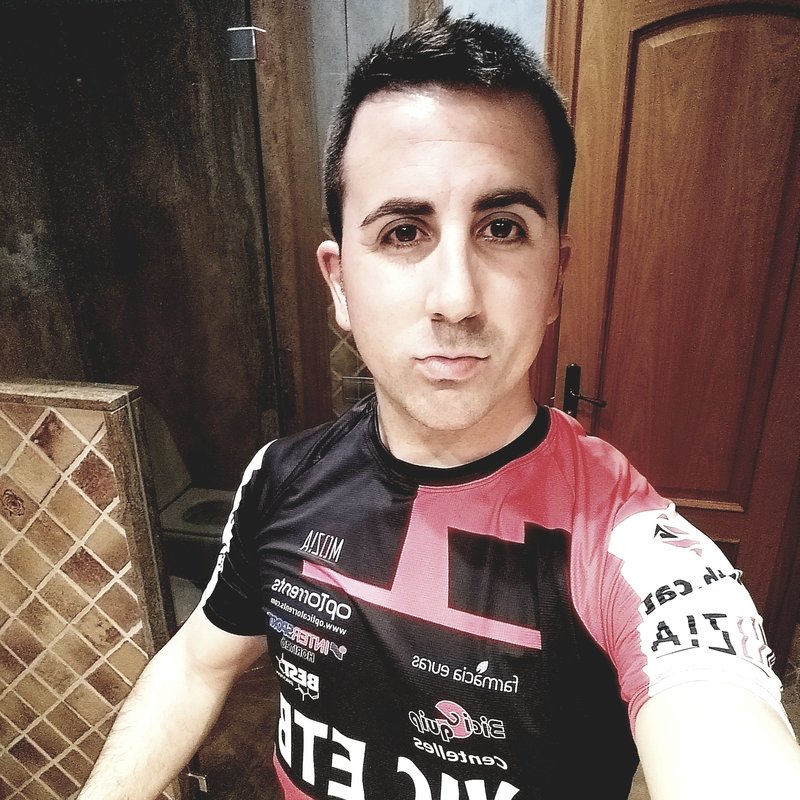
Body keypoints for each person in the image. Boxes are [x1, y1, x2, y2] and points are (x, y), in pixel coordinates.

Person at [79, 10, 800, 799]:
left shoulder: (632, 550)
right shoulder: (280, 478)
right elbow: (196, 665)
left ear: (555, 278)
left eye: (502, 227)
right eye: (402, 233)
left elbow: (724, 736)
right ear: (339, 283)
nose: (455, 298)